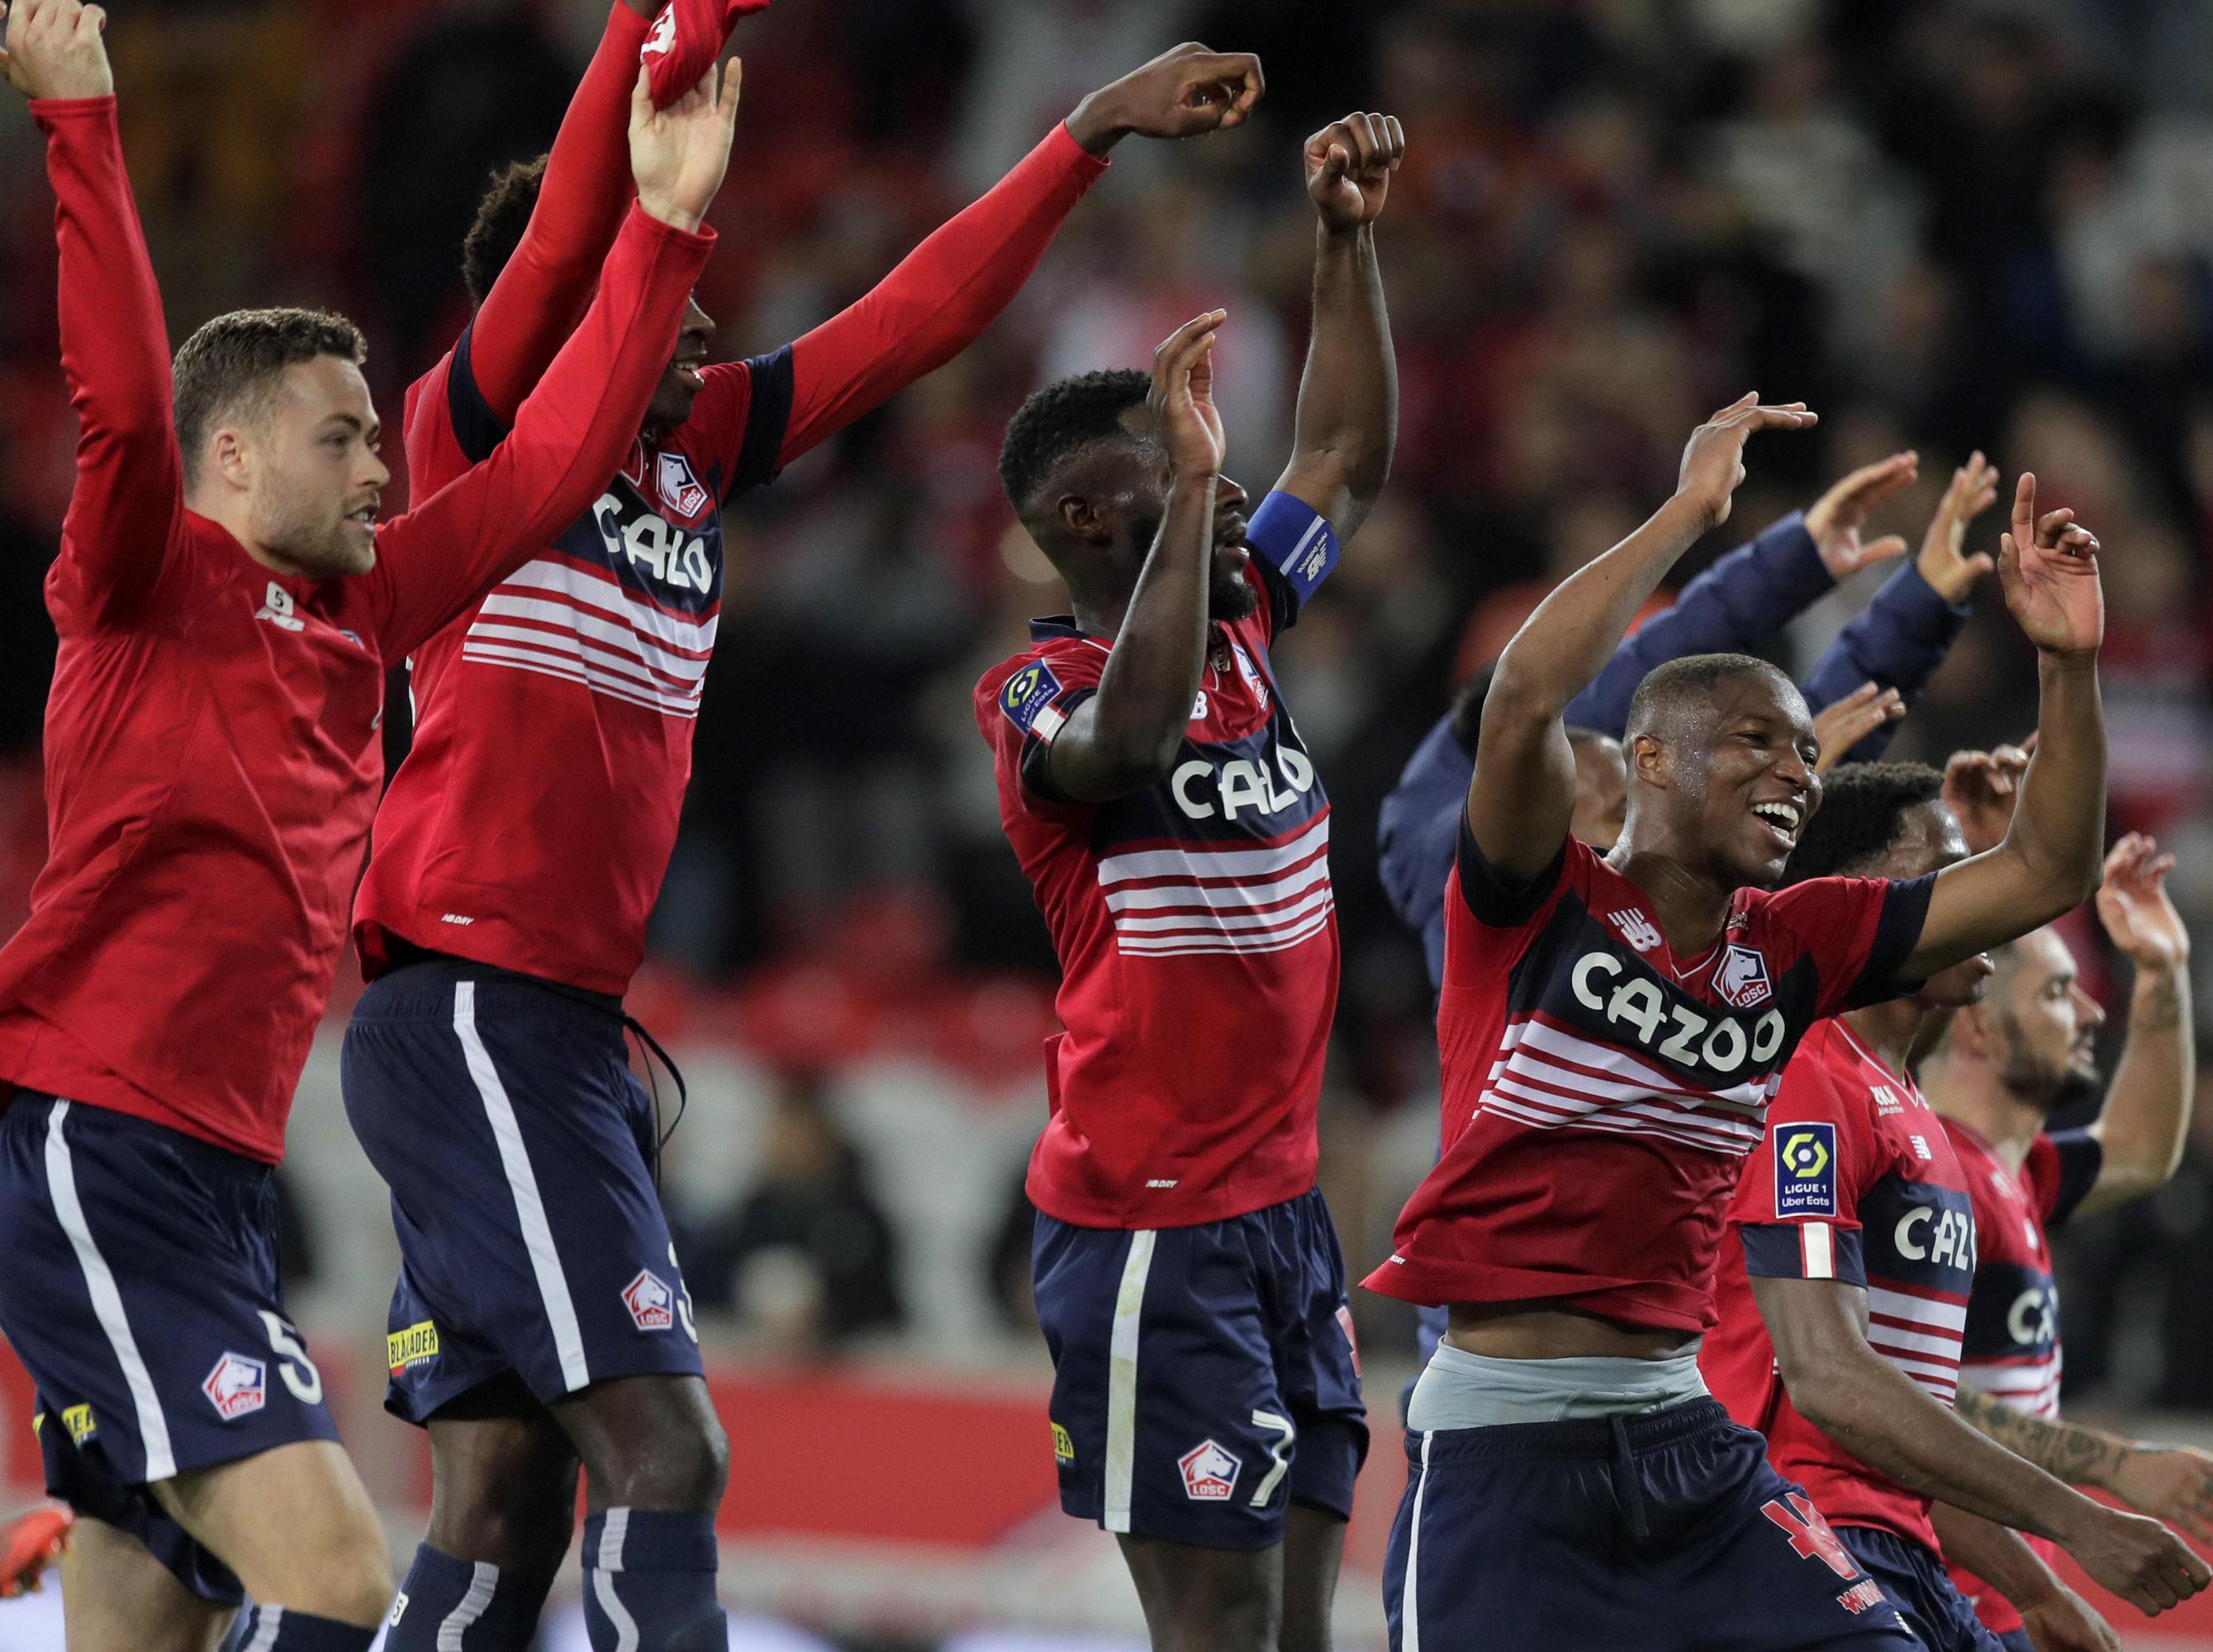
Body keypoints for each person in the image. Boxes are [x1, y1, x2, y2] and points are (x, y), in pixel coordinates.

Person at [340, 25, 1271, 1652]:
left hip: (555, 1027)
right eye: (674, 308)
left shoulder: (692, 463)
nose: (704, 336)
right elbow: (572, 227)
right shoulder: (468, 427)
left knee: (499, 1501)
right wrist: (655, 54)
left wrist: (1088, 134)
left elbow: (914, 319)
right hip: (475, 1007)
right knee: (667, 1449)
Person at [0, 2, 735, 1647]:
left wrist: (671, 231)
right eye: (341, 438)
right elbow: (122, 399)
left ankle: (83, 1546)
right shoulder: (143, 583)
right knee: (337, 1590)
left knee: (155, 1631)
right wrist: (82, 115)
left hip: (213, 1177)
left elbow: (550, 463)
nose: (379, 468)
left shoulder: (363, 612)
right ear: (235, 454)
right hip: (96, 1142)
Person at [1365, 394, 2211, 1650]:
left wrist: (2069, 666)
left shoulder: (1795, 946)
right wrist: (1692, 517)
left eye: (1805, 755)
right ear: (1647, 760)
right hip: (1504, 1436)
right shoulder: (1526, 900)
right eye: (1756, 742)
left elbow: (2040, 872)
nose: (1794, 770)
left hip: (1682, 1435)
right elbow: (1526, 697)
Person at [975, 110, 1403, 1652]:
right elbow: (1124, 739)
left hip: (1284, 1220)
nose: (1226, 493)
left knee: (1301, 1637)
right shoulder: (1036, 696)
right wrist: (1194, 509)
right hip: (1151, 1228)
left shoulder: (1242, 623)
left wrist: (1346, 240)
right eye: (1182, 474)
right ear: (1096, 519)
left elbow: (1345, 457)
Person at [1376, 453, 2001, 1387]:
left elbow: (1744, 755)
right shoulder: (1466, 857)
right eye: (1602, 790)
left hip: (1658, 1333)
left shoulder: (1661, 855)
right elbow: (1658, 702)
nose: (1628, 807)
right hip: (1510, 1337)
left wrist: (1885, 602)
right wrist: (1780, 563)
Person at [1703, 763, 2166, 1652]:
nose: (1973, 895)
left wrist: (2035, 1589)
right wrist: (2079, 1521)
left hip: (1903, 1535)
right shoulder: (1805, 1073)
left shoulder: (1908, 1103)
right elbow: (1832, 1380)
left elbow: (1910, 1425)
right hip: (1792, 1527)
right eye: (1945, 870)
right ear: (1864, 900)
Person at [1920, 762, 2213, 1647]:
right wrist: (2116, 1466)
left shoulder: (2010, 1170)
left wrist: (2162, 969)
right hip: (1925, 1595)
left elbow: (2143, 1146)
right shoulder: (1934, 1172)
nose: (2089, 1016)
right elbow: (1908, 1402)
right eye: (2057, 992)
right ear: (1979, 1026)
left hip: (1986, 1598)